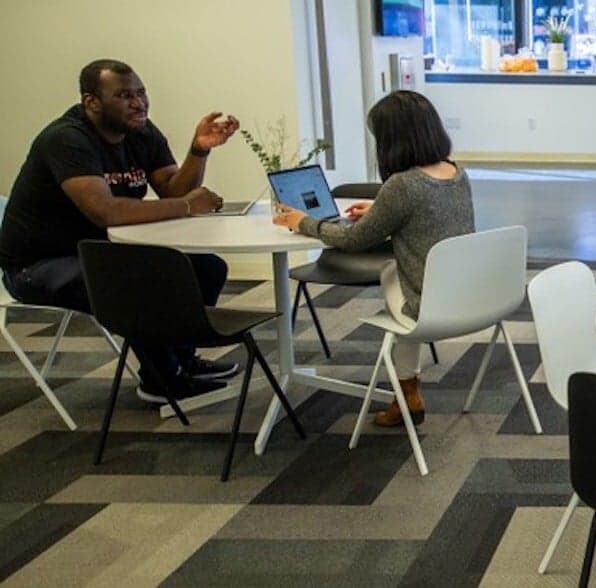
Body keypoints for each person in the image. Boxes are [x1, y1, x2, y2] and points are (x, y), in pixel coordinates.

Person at [0, 59, 240, 401]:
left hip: (100, 249)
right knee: (135, 279)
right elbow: (105, 212)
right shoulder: (67, 139)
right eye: (124, 95)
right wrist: (188, 205)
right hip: (37, 264)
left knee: (206, 267)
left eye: (141, 93)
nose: (138, 103)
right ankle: (161, 379)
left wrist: (199, 150)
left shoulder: (139, 130)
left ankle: (183, 361)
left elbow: (172, 189)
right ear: (91, 102)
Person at [273, 90, 472, 427]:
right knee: (401, 278)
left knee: (393, 275)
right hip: (470, 296)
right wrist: (380, 210)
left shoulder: (402, 185)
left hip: (428, 304)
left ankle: (408, 392)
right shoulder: (456, 172)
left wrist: (302, 222)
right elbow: (426, 211)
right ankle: (407, 393)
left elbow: (353, 240)